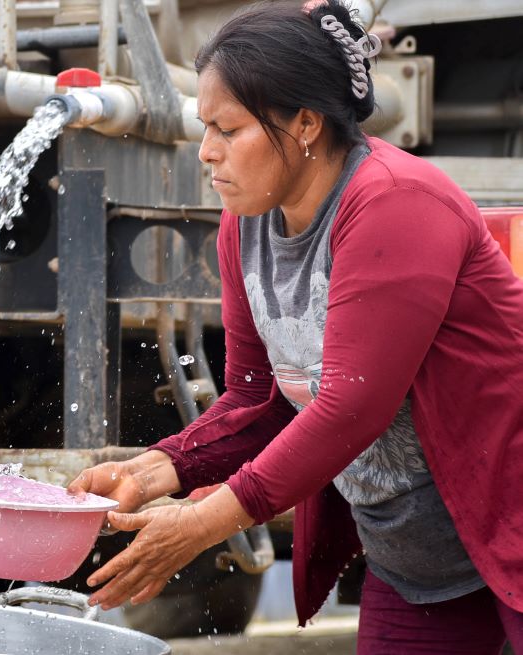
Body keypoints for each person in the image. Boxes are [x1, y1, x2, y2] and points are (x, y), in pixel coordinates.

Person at [67, 1, 523, 652]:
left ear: (305, 124)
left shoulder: (394, 202)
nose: (206, 152)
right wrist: (156, 470)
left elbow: (348, 410)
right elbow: (257, 402)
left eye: (228, 129)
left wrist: (201, 521)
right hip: (421, 564)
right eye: (204, 128)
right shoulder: (245, 225)